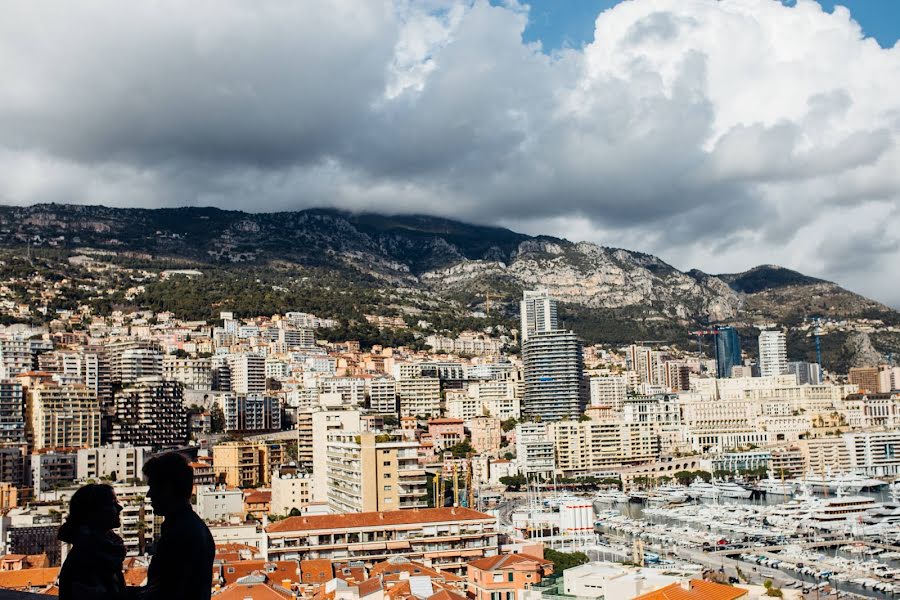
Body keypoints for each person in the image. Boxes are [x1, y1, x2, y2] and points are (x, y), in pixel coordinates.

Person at [140, 452, 215, 600]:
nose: (149, 495)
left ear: (167, 488)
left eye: (153, 487)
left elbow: (164, 593)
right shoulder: (191, 527)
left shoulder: (181, 534)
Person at [58, 483, 127, 600]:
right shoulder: (87, 560)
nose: (120, 507)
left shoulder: (101, 552)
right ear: (94, 512)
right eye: (112, 503)